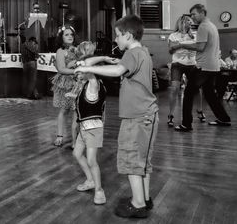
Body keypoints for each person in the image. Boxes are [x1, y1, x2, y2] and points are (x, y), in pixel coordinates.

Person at [75, 15, 159, 218]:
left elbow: (118, 70)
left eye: (118, 36)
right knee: (142, 161)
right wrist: (108, 60)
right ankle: (144, 199)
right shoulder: (142, 52)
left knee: (130, 159)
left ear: (128, 35)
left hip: (137, 117)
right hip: (147, 115)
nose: (116, 40)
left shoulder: (132, 53)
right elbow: (123, 66)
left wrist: (86, 67)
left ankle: (137, 205)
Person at [172, 4, 231, 130]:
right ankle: (224, 119)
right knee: (210, 94)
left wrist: (180, 45)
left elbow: (200, 47)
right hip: (213, 66)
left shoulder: (203, 27)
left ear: (202, 13)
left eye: (194, 14)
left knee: (188, 94)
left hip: (203, 67)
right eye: (191, 14)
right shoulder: (212, 25)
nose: (192, 17)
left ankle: (186, 124)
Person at [72, 41, 115, 205]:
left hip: (92, 129)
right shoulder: (86, 87)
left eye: (80, 72)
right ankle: (90, 180)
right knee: (76, 154)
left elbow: (87, 67)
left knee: (91, 161)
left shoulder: (94, 84)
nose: (77, 73)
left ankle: (99, 190)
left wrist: (102, 58)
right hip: (84, 128)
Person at [167, 15, 206, 126]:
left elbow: (198, 47)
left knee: (197, 89)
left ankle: (200, 111)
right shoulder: (173, 35)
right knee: (174, 88)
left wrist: (179, 45)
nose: (190, 23)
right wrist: (178, 46)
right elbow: (170, 50)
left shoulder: (195, 34)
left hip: (192, 64)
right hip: (177, 64)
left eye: (191, 21)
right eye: (188, 21)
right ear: (182, 22)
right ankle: (171, 115)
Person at [51, 25, 78, 148]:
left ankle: (75, 139)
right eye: (66, 35)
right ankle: (60, 136)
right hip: (65, 83)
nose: (70, 37)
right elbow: (61, 69)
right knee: (64, 110)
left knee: (76, 111)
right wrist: (75, 69)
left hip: (77, 83)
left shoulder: (77, 49)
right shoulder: (60, 51)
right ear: (61, 38)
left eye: (71, 34)